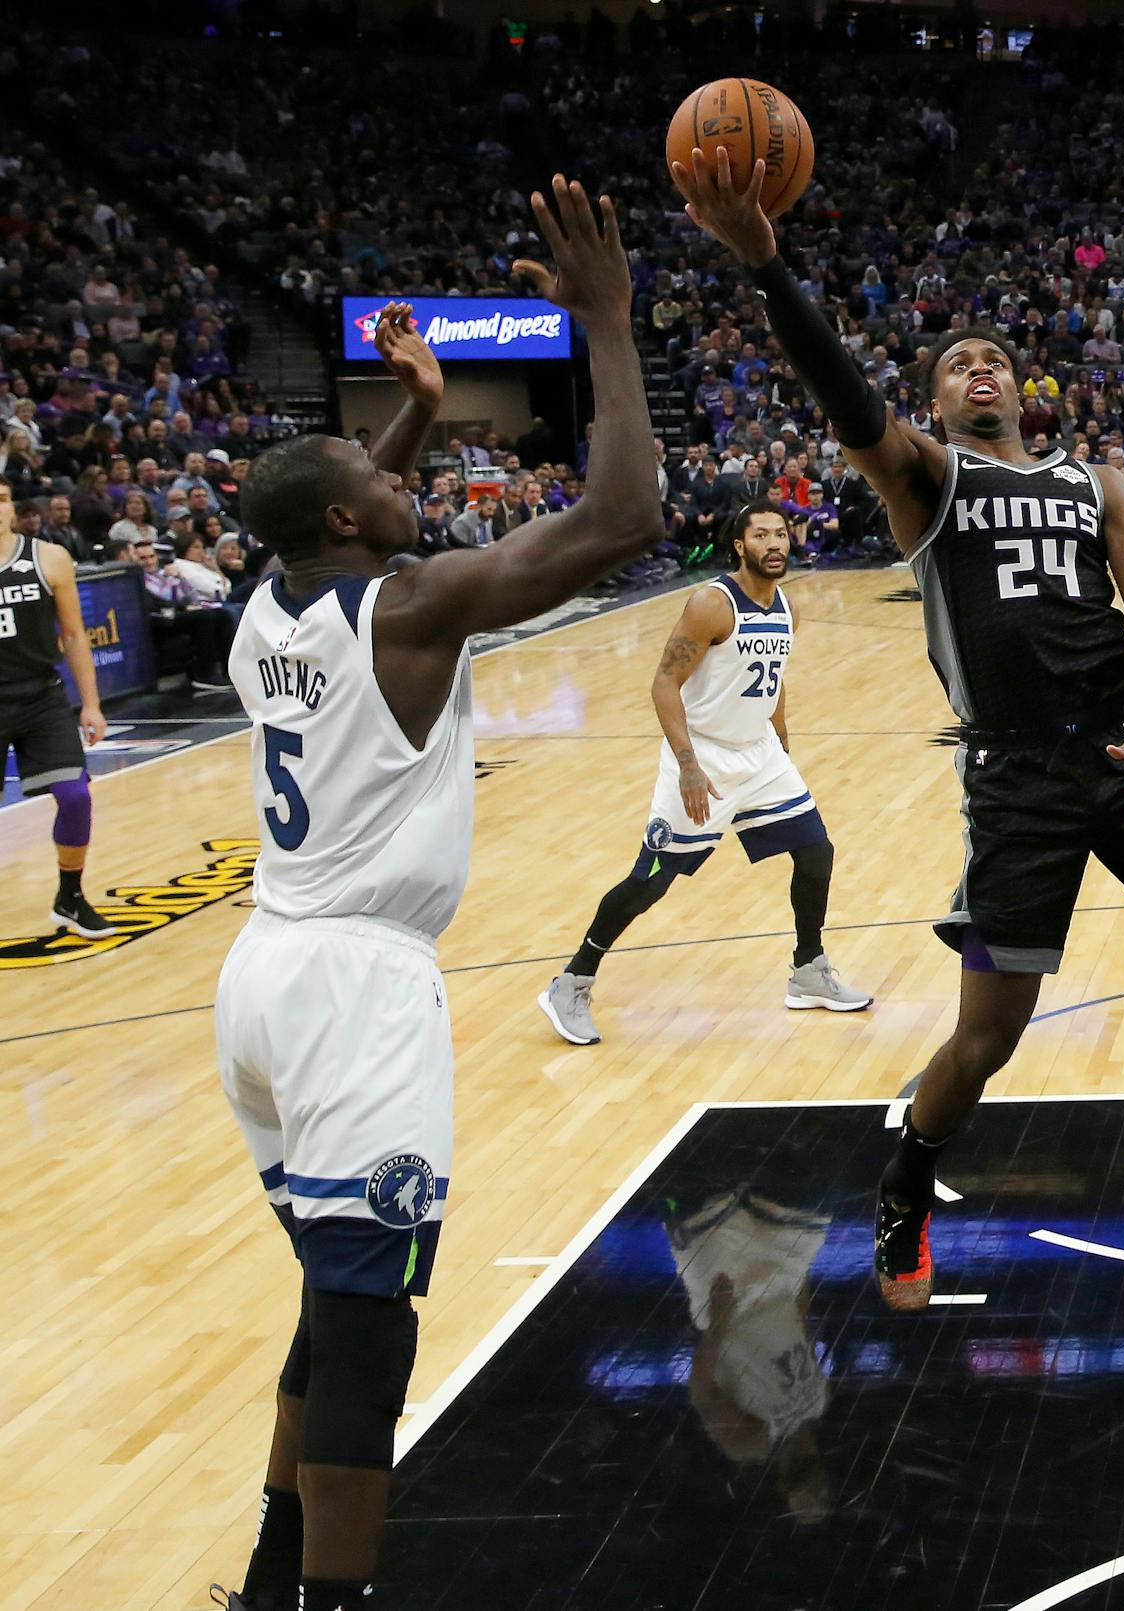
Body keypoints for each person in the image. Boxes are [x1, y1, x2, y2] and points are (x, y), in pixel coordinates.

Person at [673, 145, 1124, 1311]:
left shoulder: (1101, 484)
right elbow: (844, 397)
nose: (980, 370)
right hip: (1017, 781)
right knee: (988, 1037)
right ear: (936, 402)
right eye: (958, 365)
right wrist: (772, 272)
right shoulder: (926, 480)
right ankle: (903, 1189)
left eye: (995, 359)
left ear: (1022, 388)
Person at [207, 186, 664, 1611]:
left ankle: (273, 1582)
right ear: (354, 514)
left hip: (263, 980)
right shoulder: (410, 611)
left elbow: (334, 508)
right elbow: (625, 513)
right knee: (368, 1332)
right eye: (392, 470)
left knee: (330, 1299)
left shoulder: (267, 607)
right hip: (357, 994)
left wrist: (396, 411)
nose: (420, 473)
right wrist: (606, 323)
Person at [540, 499, 869, 1043]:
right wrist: (688, 765)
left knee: (816, 851)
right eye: (762, 536)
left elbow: (772, 674)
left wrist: (780, 733)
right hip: (703, 756)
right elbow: (663, 684)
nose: (775, 545)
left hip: (758, 752)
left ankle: (808, 970)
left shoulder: (785, 601)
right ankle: (572, 979)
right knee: (653, 879)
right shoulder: (712, 604)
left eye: (781, 535)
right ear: (740, 545)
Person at [0, 485, 112, 939]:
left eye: (3, 496)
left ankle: (70, 896)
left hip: (40, 697)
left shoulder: (48, 557)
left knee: (75, 796)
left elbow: (74, 634)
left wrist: (90, 703)